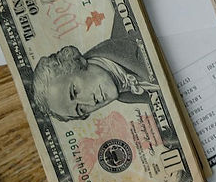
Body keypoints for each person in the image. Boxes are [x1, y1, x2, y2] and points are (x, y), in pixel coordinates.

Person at [30, 35, 162, 122]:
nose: (91, 103)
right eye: (80, 109)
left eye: (74, 91)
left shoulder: (130, 34)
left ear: (77, 62)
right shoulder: (130, 97)